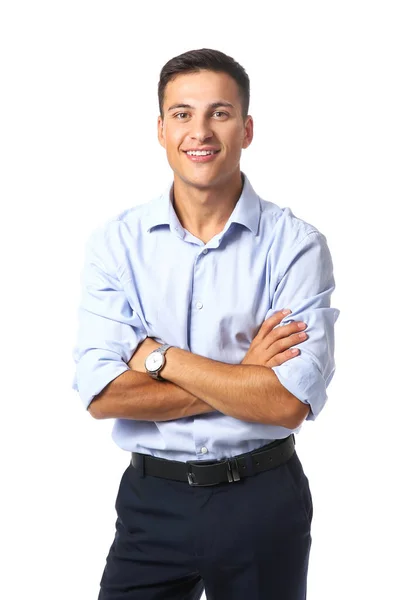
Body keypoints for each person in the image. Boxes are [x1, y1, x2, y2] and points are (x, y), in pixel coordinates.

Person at [72, 48, 339, 600]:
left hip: (262, 500)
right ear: (161, 129)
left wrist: (162, 359)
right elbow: (101, 394)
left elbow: (288, 403)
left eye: (219, 113)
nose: (200, 131)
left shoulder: (296, 247)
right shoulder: (116, 246)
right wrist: (244, 376)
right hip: (152, 503)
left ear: (246, 129)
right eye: (182, 114)